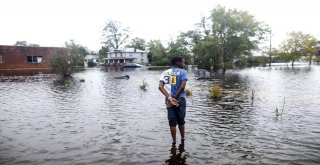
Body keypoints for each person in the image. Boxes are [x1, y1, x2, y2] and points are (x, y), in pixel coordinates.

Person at [158, 56, 188, 145]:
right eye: (183, 62)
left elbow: (160, 87)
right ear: (178, 62)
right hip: (180, 98)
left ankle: (174, 142)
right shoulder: (183, 72)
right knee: (181, 120)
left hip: (169, 100)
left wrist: (170, 97)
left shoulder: (164, 73)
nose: (184, 64)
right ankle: (182, 139)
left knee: (172, 121)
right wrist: (175, 97)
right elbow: (182, 86)